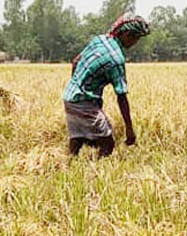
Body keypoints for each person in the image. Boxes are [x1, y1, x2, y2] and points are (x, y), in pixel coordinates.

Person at [63, 15, 149, 157]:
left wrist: (77, 85)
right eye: (136, 38)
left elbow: (75, 61)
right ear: (127, 35)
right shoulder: (116, 59)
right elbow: (121, 96)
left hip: (69, 97)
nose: (135, 43)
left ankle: (69, 165)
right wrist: (129, 129)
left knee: (77, 137)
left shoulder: (100, 39)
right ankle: (95, 174)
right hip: (84, 102)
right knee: (107, 143)